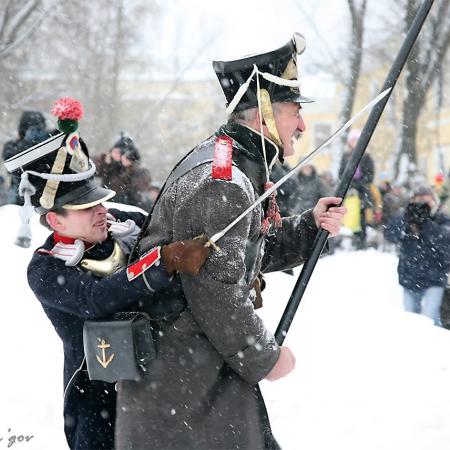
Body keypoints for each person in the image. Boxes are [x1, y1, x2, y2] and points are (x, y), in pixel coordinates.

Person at [115, 33, 346, 450]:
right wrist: (264, 357)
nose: (303, 125)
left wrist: (310, 227)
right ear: (263, 112)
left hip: (200, 375)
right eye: (295, 111)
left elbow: (246, 255)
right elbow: (214, 290)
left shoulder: (236, 167)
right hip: (186, 386)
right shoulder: (222, 181)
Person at [3, 97, 210, 450]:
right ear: (55, 220)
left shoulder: (121, 225)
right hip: (95, 398)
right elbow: (94, 300)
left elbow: (173, 237)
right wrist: (160, 261)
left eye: (99, 201)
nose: (102, 211)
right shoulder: (44, 267)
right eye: (86, 207)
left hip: (156, 386)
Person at [384, 185, 450, 326]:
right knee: (411, 320)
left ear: (434, 200)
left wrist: (425, 223)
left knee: (430, 318)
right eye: (418, 200)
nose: (422, 205)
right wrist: (407, 219)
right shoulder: (405, 217)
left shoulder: (442, 218)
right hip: (410, 278)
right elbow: (390, 235)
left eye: (426, 200)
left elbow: (445, 241)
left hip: (435, 278)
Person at [2, 111, 52, 204]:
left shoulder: (47, 143)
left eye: (39, 128)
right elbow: (10, 164)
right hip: (21, 195)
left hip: (48, 192)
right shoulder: (11, 146)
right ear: (23, 129)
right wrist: (27, 143)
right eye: (31, 128)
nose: (36, 132)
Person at [339, 129, 375, 249]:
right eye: (353, 140)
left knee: (362, 215)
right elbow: (341, 173)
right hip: (349, 190)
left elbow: (370, 174)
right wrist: (349, 185)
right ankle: (351, 239)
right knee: (349, 214)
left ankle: (361, 240)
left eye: (357, 140)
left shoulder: (366, 156)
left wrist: (360, 184)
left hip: (362, 190)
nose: (355, 142)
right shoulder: (345, 156)